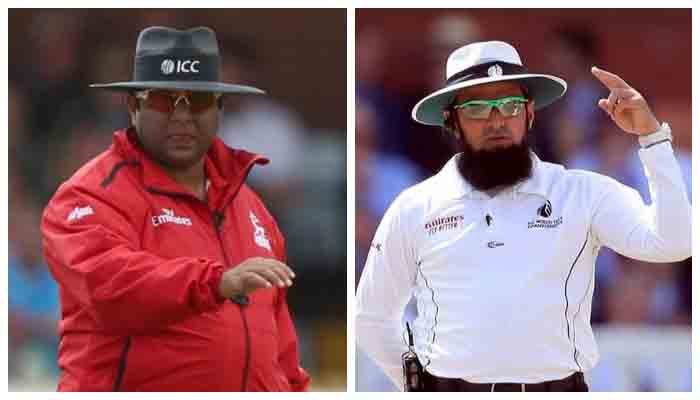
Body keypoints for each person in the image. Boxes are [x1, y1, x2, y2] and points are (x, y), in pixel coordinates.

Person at [354, 41, 691, 392]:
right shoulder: (414, 207)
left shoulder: (581, 192)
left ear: (530, 113)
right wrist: (416, 384)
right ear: (451, 120)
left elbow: (673, 243)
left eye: (510, 106)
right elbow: (371, 317)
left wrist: (652, 139)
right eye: (478, 109)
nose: (497, 120)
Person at [41, 26, 310, 392]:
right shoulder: (89, 195)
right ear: (133, 106)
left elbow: (281, 351)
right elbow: (109, 287)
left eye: (197, 101)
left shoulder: (252, 207)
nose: (181, 116)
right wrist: (217, 282)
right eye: (164, 100)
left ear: (219, 108)